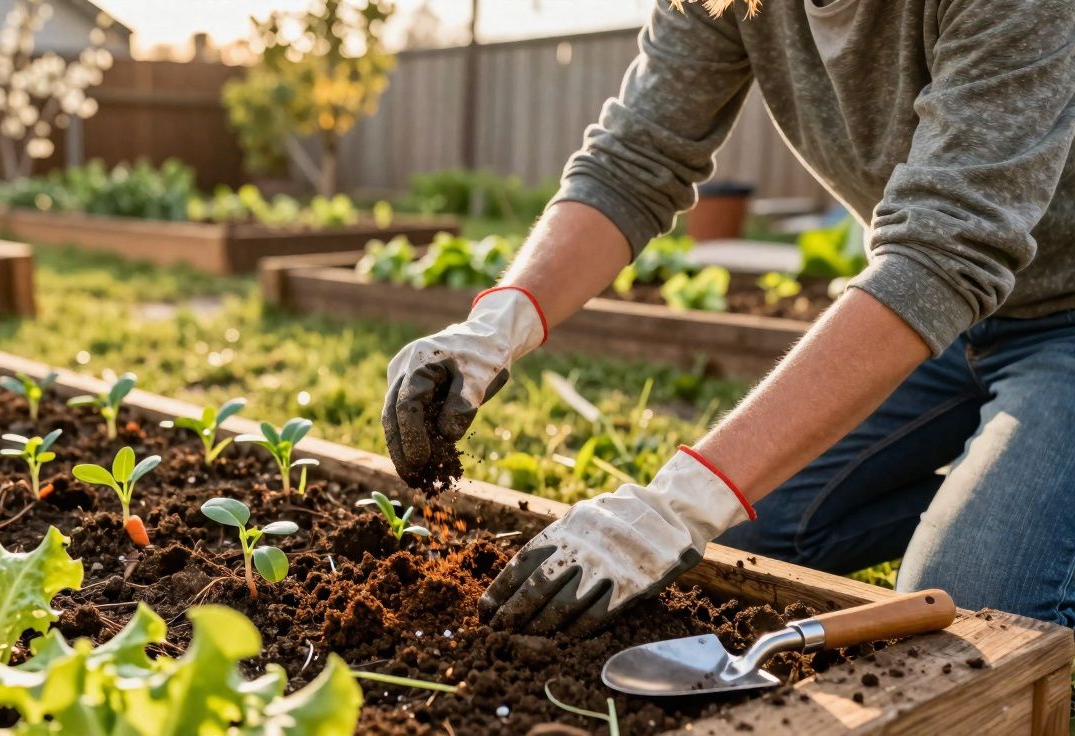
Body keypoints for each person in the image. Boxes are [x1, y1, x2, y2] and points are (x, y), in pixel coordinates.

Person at [382, 0, 1075, 635]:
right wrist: (494, 327)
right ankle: (998, 492)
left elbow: (943, 250)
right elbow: (634, 160)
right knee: (734, 541)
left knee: (976, 606)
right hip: (952, 321)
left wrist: (676, 501)